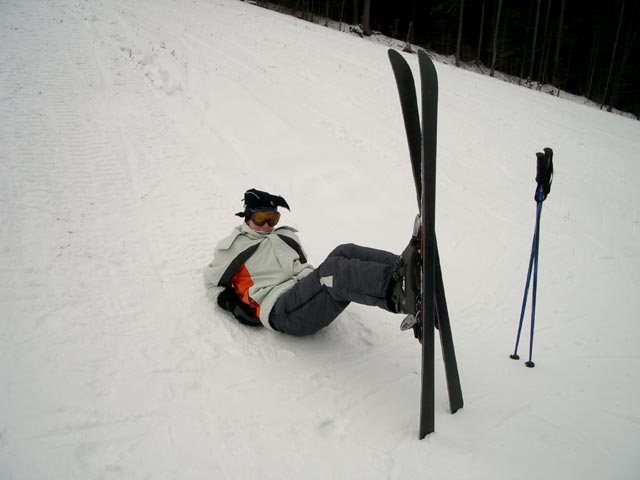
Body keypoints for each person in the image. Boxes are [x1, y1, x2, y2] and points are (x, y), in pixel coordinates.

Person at [203, 188, 414, 336]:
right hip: (281, 311)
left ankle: (405, 269)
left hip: (304, 296)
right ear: (247, 216)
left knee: (344, 250)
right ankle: (399, 294)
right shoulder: (235, 246)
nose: (267, 225)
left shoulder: (285, 236)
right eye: (260, 219)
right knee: (332, 272)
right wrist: (232, 304)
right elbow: (212, 283)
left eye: (273, 219)